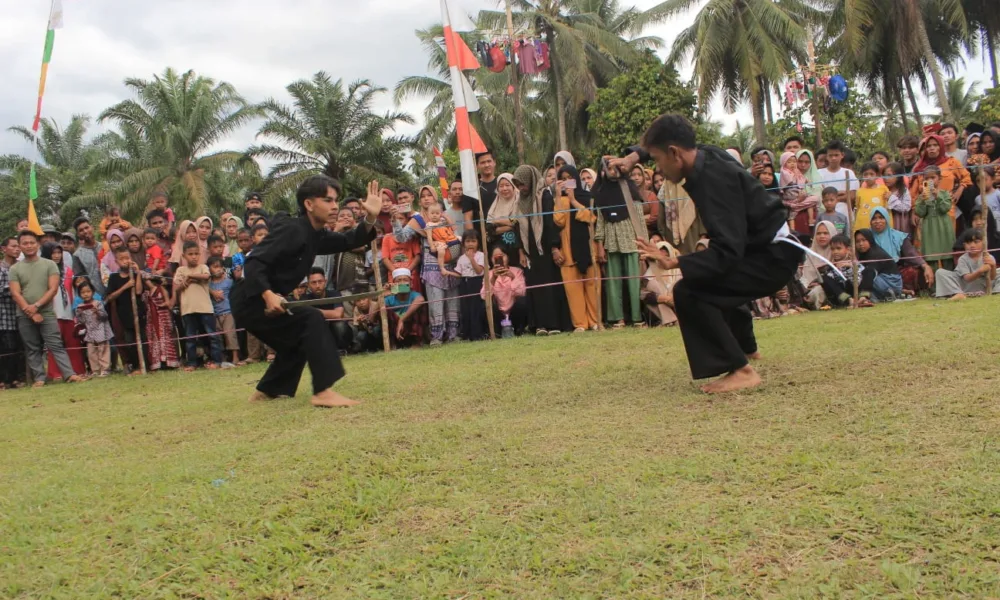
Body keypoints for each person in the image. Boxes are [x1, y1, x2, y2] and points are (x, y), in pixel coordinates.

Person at [609, 113, 805, 393]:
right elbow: (666, 140)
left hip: (771, 258)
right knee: (712, 279)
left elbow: (727, 252)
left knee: (690, 291)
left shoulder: (714, 181)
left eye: (658, 160)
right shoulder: (706, 155)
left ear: (674, 153)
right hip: (770, 248)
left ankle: (741, 370)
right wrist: (634, 157)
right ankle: (747, 348)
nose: (659, 168)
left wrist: (675, 260)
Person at [231, 176, 380, 408]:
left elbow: (349, 239)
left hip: (261, 300)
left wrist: (370, 217)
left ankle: (267, 391)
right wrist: (268, 294)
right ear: (309, 204)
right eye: (327, 200)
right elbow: (253, 264)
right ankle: (323, 391)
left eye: (336, 201)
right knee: (311, 318)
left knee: (297, 341)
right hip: (250, 298)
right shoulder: (292, 229)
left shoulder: (316, 235)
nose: (334, 206)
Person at [10, 231, 84, 386]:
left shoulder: (49, 264)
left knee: (55, 344)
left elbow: (53, 289)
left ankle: (69, 374)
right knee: (32, 347)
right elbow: (15, 293)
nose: (29, 246)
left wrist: (36, 306)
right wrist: (29, 311)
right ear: (20, 246)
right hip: (24, 313)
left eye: (31, 242)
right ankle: (39, 378)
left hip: (47, 312)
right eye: (25, 243)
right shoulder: (15, 269)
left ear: (37, 244)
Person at [512, 164, 570, 335]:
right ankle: (539, 325)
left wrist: (554, 247)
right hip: (530, 252)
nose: (521, 187)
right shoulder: (519, 201)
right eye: (518, 184)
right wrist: (521, 251)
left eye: (522, 183)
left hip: (544, 249)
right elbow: (517, 228)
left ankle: (554, 324)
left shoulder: (544, 195)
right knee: (534, 287)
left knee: (549, 286)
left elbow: (551, 224)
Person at [593, 162, 648, 329]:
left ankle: (637, 318)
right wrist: (600, 246)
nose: (610, 172)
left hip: (631, 240)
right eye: (606, 169)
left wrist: (643, 245)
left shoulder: (629, 189)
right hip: (611, 241)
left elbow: (639, 221)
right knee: (613, 282)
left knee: (634, 282)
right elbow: (600, 222)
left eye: (613, 168)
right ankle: (618, 318)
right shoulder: (601, 193)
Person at [552, 165, 600, 333]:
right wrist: (559, 196)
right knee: (573, 291)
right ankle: (580, 324)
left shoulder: (587, 196)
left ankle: (595, 321)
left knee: (592, 288)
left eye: (569, 178)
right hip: (568, 252)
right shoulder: (559, 200)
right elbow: (558, 221)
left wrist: (573, 201)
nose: (566, 182)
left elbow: (591, 218)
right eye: (562, 179)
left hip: (588, 251)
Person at [174, 242, 225, 371]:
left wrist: (190, 277)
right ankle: (192, 363)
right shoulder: (181, 270)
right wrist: (187, 281)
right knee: (190, 337)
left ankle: (217, 361)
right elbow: (177, 288)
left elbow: (206, 277)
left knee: (212, 335)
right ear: (184, 255)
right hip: (188, 309)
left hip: (205, 308)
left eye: (196, 254)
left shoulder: (203, 267)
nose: (194, 257)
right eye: (190, 254)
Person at [40, 243, 87, 379]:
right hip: (52, 311)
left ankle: (77, 370)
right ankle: (56, 373)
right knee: (55, 344)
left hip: (68, 311)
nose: (56, 256)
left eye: (59, 253)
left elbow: (72, 291)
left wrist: (75, 311)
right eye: (53, 253)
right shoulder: (43, 271)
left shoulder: (68, 271)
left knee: (73, 342)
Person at [908, 134, 972, 228]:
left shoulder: (951, 162)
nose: (932, 148)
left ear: (941, 146)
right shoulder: (920, 167)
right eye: (929, 146)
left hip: (946, 208)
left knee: (946, 238)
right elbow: (914, 193)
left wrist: (960, 189)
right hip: (926, 211)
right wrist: (914, 211)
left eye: (935, 145)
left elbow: (966, 177)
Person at [869, 207, 934, 295]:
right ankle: (898, 292)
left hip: (895, 273)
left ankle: (899, 291)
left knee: (914, 272)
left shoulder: (897, 236)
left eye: (881, 217)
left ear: (887, 219)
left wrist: (925, 266)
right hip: (875, 272)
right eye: (874, 218)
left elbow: (911, 254)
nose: (877, 221)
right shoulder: (866, 238)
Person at [104, 246, 149, 374]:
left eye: (127, 258)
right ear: (116, 261)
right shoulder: (113, 278)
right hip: (124, 314)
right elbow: (110, 296)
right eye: (122, 259)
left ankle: (144, 365)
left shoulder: (135, 275)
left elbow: (139, 291)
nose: (125, 261)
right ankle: (134, 365)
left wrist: (138, 273)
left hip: (138, 312)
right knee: (129, 341)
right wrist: (126, 286)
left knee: (142, 338)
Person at [935, 228, 1000, 299]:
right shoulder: (963, 259)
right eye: (969, 243)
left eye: (976, 242)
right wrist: (980, 271)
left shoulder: (988, 257)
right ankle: (957, 293)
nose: (972, 245)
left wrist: (993, 266)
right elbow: (967, 278)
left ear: (983, 243)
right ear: (964, 245)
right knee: (940, 272)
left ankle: (996, 293)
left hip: (982, 285)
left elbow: (992, 277)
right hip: (965, 286)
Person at [914, 165, 958, 270]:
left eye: (933, 178)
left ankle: (949, 283)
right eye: (927, 178)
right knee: (931, 257)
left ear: (939, 179)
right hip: (929, 229)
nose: (930, 181)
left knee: (947, 257)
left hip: (943, 227)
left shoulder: (945, 194)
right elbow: (920, 212)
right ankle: (932, 285)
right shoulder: (922, 196)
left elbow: (945, 208)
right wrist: (923, 200)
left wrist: (938, 196)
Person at [481, 247, 528, 336]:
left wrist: (513, 278)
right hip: (498, 312)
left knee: (523, 301)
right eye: (495, 257)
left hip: (514, 310)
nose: (499, 259)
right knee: (485, 305)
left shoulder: (517, 271)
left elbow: (522, 292)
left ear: (508, 257)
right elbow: (483, 296)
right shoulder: (489, 274)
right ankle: (495, 332)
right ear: (491, 259)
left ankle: (519, 329)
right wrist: (493, 279)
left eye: (502, 256)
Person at [486, 173, 529, 269]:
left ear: (513, 186)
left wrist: (497, 221)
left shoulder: (520, 202)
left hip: (518, 249)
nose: (504, 188)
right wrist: (511, 225)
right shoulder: (495, 204)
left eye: (507, 185)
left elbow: (519, 223)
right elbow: (489, 228)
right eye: (501, 186)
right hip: (498, 251)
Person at [304, 267, 353, 351]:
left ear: (325, 281)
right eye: (313, 283)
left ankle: (342, 349)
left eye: (320, 281)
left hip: (335, 333)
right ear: (308, 284)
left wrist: (314, 311)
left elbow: (338, 314)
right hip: (318, 334)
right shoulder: (304, 299)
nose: (317, 285)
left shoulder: (334, 294)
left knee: (340, 325)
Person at [820, 234, 873, 308]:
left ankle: (863, 299)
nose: (835, 252)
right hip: (842, 294)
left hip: (857, 290)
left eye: (838, 248)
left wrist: (851, 269)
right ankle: (849, 301)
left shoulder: (856, 264)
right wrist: (838, 270)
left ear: (848, 249)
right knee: (825, 278)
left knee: (870, 271)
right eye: (832, 249)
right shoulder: (830, 267)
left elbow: (857, 282)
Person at [0, 237, 25, 389]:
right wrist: (16, 290)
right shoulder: (2, 269)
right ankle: (3, 380)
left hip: (19, 315)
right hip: (3, 316)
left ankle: (15, 378)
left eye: (18, 246)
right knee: (5, 349)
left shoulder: (20, 268)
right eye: (13, 246)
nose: (17, 249)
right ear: (4, 249)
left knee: (17, 348)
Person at [74, 279, 113, 377]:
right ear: (79, 294)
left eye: (88, 291)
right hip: (90, 332)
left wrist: (97, 311)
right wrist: (79, 313)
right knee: (91, 352)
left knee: (103, 350)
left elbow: (105, 316)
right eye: (83, 292)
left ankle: (105, 369)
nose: (86, 294)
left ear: (93, 292)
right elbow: (81, 321)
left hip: (101, 330)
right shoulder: (80, 306)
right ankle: (95, 370)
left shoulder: (98, 303)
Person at [641, 241, 683, 326]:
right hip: (659, 302)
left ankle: (671, 321)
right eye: (660, 257)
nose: (662, 260)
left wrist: (672, 297)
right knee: (657, 299)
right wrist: (662, 298)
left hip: (678, 302)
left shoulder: (678, 271)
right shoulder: (651, 272)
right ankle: (672, 321)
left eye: (666, 257)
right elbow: (642, 295)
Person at [455, 230, 487, 340]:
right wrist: (446, 272)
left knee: (476, 309)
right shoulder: (461, 258)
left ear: (478, 242)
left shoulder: (481, 255)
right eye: (468, 241)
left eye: (473, 241)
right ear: (463, 243)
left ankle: (477, 334)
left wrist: (471, 258)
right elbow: (458, 274)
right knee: (465, 309)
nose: (470, 244)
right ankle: (466, 334)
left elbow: (479, 270)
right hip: (465, 283)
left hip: (476, 282)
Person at [144, 273, 180, 371]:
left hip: (162, 317)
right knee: (155, 339)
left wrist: (160, 305)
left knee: (165, 337)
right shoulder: (147, 292)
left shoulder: (161, 289)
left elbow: (168, 303)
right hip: (152, 318)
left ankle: (168, 362)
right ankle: (158, 362)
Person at [855, 229, 903, 301]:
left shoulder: (876, 254)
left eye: (864, 240)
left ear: (870, 240)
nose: (861, 244)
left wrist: (863, 295)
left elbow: (870, 273)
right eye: (857, 241)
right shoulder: (863, 254)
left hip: (891, 283)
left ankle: (865, 296)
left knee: (865, 273)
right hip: (880, 281)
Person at [208, 256, 240, 367]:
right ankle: (222, 358)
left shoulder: (229, 282)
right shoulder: (208, 284)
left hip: (228, 312)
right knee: (218, 336)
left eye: (220, 267)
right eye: (215, 267)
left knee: (230, 334)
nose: (218, 269)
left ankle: (235, 357)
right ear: (209, 269)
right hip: (215, 313)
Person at [384, 268, 426, 348]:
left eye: (405, 280)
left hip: (410, 329)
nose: (402, 283)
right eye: (398, 280)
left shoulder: (415, 295)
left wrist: (401, 319)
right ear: (393, 284)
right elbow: (372, 317)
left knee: (420, 308)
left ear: (411, 284)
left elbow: (421, 300)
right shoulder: (390, 297)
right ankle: (392, 344)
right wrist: (381, 294)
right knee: (383, 309)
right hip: (395, 330)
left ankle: (416, 342)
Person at [779, 151, 818, 237]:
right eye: (789, 162)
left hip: (807, 219)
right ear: (784, 162)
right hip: (791, 199)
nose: (793, 164)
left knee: (815, 198)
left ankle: (799, 210)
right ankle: (792, 233)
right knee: (792, 219)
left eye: (794, 162)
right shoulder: (785, 173)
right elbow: (789, 182)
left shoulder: (817, 176)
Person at [816, 141, 858, 217]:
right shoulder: (819, 173)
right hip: (824, 215)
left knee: (841, 228)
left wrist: (830, 197)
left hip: (844, 215)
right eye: (831, 155)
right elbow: (819, 195)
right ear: (827, 156)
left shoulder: (849, 173)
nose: (833, 158)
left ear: (842, 155)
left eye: (836, 155)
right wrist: (841, 194)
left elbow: (852, 195)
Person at [799, 221, 836, 309]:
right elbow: (804, 277)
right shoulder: (810, 253)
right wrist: (807, 286)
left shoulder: (837, 252)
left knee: (819, 291)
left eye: (826, 233)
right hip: (809, 289)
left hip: (831, 289)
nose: (822, 236)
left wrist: (821, 284)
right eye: (818, 233)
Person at [425, 202, 462, 277]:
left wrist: (446, 217)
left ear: (440, 214)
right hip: (440, 241)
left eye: (437, 213)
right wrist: (432, 246)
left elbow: (453, 227)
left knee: (461, 239)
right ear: (428, 214)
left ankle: (460, 263)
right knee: (441, 250)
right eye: (432, 213)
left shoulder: (442, 221)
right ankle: (442, 268)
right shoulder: (429, 225)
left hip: (450, 238)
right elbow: (429, 237)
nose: (434, 215)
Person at [72, 217, 105, 297]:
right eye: (81, 230)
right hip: (94, 297)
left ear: (92, 227)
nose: (85, 231)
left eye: (87, 227)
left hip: (113, 293)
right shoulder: (77, 255)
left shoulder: (105, 246)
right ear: (78, 234)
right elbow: (80, 280)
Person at [854, 162, 890, 232]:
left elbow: (886, 207)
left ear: (877, 175)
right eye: (865, 174)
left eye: (871, 174)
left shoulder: (883, 189)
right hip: (862, 223)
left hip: (878, 224)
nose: (868, 177)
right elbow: (858, 208)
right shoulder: (859, 191)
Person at [883, 162, 913, 236]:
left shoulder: (903, 191)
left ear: (898, 177)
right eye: (884, 175)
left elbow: (906, 207)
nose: (886, 178)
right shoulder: (882, 190)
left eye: (890, 175)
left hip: (900, 225)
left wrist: (891, 198)